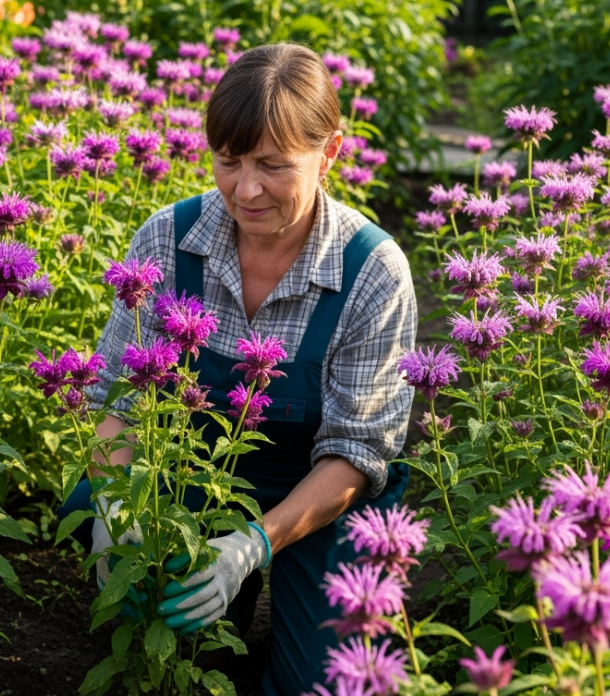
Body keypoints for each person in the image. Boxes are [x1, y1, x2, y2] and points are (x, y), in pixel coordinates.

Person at [61, 43, 418, 694]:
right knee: (149, 616)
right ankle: (212, 615)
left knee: (330, 680)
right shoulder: (167, 240)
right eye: (229, 162)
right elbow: (117, 402)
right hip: (195, 472)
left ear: (331, 152)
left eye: (273, 166)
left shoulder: (372, 271)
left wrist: (253, 543)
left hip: (319, 490)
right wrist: (119, 510)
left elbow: (357, 455)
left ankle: (259, 591)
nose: (245, 190)